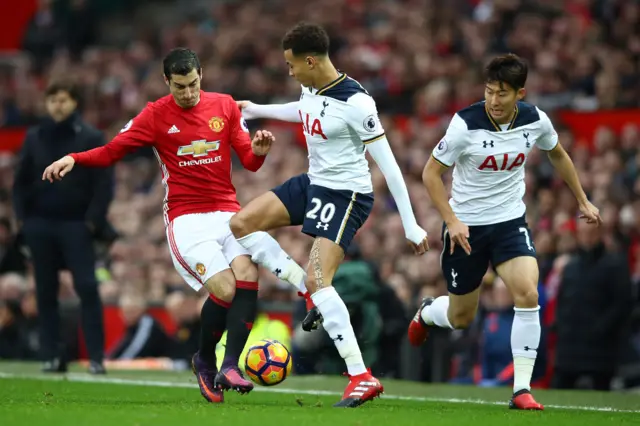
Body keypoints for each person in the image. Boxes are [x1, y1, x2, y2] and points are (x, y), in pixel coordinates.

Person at [41, 48, 307, 404]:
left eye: (193, 84)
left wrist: (258, 150)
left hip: (227, 212)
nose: (188, 93)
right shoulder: (154, 115)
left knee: (249, 273)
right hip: (186, 219)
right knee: (226, 289)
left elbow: (250, 162)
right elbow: (113, 150)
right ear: (167, 81)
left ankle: (230, 366)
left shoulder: (225, 106)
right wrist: (74, 158)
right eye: (180, 86)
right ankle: (203, 360)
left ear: (202, 75)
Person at [229, 22, 429, 408]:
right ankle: (306, 290)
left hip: (347, 194)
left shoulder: (358, 104)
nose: (288, 71)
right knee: (241, 224)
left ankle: (361, 375)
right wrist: (257, 110)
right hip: (313, 183)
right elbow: (305, 110)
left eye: (290, 64)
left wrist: (410, 223)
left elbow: (388, 166)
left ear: (309, 60)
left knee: (321, 279)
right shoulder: (311, 87)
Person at [408, 53, 602, 410]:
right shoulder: (465, 124)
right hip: (466, 228)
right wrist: (451, 220)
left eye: (502, 93)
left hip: (510, 222)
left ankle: (521, 390)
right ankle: (427, 312)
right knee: (461, 317)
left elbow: (557, 153)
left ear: (520, 94)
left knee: (528, 293)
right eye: (489, 91)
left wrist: (582, 199)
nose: (493, 101)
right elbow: (430, 174)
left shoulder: (535, 121)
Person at [13, 80, 113, 374]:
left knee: (87, 287)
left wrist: (93, 221)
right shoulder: (34, 137)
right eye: (53, 99)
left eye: (64, 99)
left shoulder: (91, 136)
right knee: (45, 291)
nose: (58, 105)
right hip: (40, 224)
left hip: (76, 224)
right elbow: (20, 183)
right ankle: (52, 356)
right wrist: (24, 220)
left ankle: (96, 357)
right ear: (46, 103)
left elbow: (103, 184)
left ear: (75, 103)